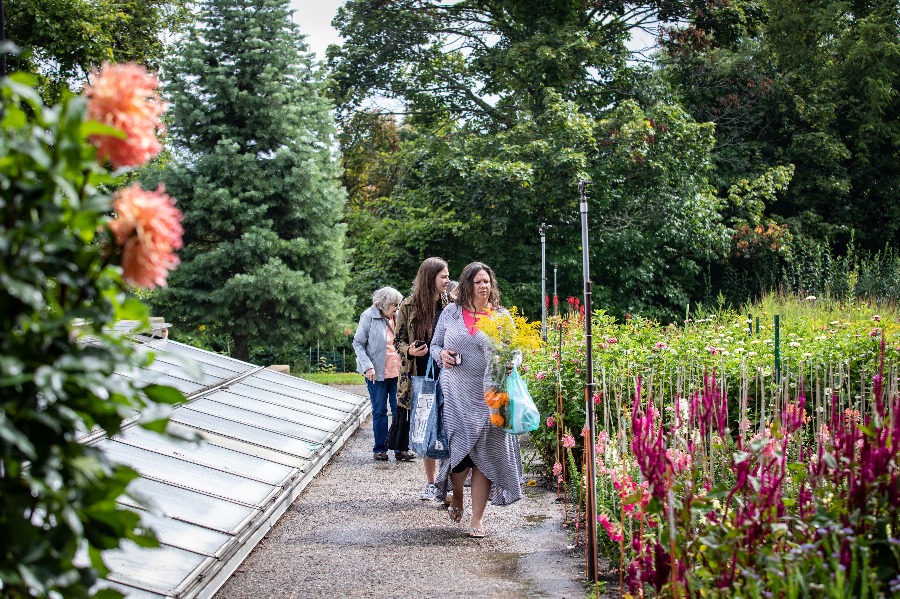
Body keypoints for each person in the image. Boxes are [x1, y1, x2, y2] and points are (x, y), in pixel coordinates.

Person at [430, 262, 524, 538]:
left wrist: (511, 363)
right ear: (467, 285)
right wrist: (441, 356)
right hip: (456, 392)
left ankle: (477, 520)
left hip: (491, 395)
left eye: (487, 281)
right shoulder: (451, 313)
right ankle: (457, 493)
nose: (484, 286)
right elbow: (435, 345)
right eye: (478, 282)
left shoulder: (501, 317)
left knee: (483, 457)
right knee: (460, 453)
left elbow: (515, 351)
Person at [393, 257, 451, 500]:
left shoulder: (452, 306)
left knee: (449, 428)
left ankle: (446, 482)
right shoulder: (407, 306)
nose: (448, 281)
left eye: (448, 276)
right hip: (419, 375)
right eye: (444, 277)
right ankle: (431, 483)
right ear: (430, 279)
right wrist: (410, 350)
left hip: (449, 374)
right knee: (427, 428)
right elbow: (398, 341)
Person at [353, 286, 412, 461]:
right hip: (376, 373)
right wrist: (367, 366)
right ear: (383, 304)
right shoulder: (368, 316)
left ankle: (400, 448)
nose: (397, 307)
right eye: (394, 304)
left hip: (397, 372)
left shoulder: (398, 317)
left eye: (398, 304)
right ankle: (380, 448)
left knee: (399, 409)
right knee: (379, 410)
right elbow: (358, 344)